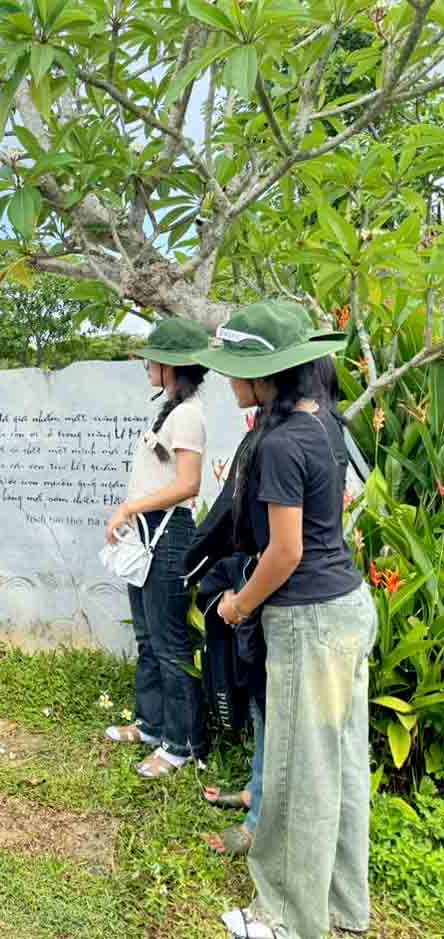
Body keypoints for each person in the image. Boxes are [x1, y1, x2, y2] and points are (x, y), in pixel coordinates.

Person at [193, 302, 376, 939]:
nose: (227, 379)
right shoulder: (323, 422)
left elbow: (285, 552)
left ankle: (284, 918)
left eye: (235, 368)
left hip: (310, 624)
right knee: (341, 768)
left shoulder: (277, 443)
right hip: (348, 607)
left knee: (298, 776)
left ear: (265, 373)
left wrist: (239, 604)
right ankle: (344, 907)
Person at [104, 317, 210, 778]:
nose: (147, 365)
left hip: (168, 534)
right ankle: (150, 725)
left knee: (169, 642)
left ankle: (180, 744)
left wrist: (129, 508)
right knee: (149, 637)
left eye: (153, 359)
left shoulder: (187, 414)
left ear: (172, 365)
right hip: (149, 531)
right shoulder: (172, 409)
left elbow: (188, 484)